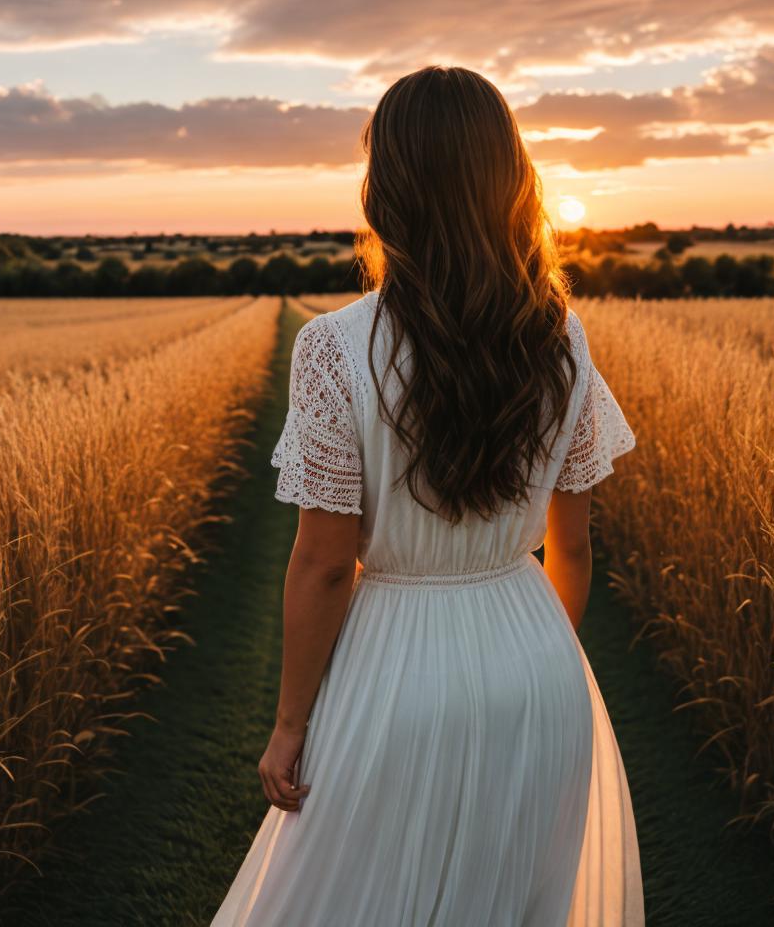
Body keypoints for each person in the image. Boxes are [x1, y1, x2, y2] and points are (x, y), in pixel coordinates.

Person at [210, 65, 644, 926]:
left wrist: (290, 722)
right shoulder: (563, 335)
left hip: (397, 666)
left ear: (388, 190)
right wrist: (526, 656)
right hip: (540, 664)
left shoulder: (334, 348)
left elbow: (326, 565)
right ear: (510, 181)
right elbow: (576, 546)